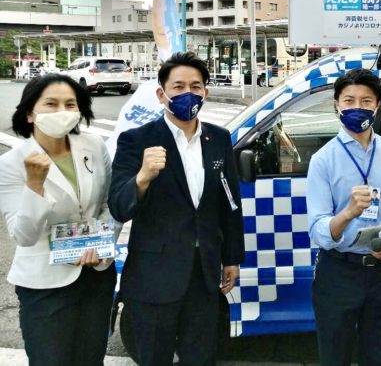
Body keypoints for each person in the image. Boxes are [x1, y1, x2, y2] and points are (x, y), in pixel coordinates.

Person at [109, 52, 245, 366]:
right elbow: (118, 206)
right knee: (154, 357)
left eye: (195, 87)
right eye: (178, 86)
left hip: (203, 274)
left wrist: (231, 258)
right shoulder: (136, 140)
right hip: (154, 277)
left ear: (205, 92)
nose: (188, 93)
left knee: (202, 357)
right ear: (162, 94)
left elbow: (229, 203)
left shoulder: (218, 138)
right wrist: (143, 177)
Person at [0, 74, 120, 366]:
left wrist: (100, 245)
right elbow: (24, 235)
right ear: (30, 113)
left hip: (96, 276)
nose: (62, 111)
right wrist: (34, 186)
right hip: (44, 285)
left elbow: (109, 204)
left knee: (91, 359)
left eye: (70, 104)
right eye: (51, 104)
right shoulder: (10, 163)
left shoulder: (94, 146)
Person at [307, 68, 381, 366]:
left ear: (378, 105)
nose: (357, 107)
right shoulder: (322, 160)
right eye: (349, 101)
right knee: (334, 355)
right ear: (337, 104)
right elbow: (318, 230)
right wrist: (348, 213)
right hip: (339, 271)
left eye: (366, 101)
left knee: (378, 354)